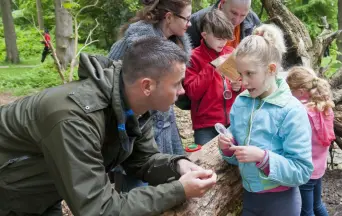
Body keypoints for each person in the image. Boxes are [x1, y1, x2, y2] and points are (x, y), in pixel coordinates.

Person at [0, 37, 217, 216]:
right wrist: (178, 190)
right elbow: (99, 209)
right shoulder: (75, 119)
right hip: (10, 195)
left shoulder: (133, 101)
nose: (182, 91)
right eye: (177, 83)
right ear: (147, 86)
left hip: (44, 191)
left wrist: (177, 166)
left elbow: (142, 159)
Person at [217, 24, 314, 216]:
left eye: (250, 74)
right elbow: (238, 158)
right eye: (240, 74)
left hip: (282, 203)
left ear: (271, 69)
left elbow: (302, 171)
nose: (243, 82)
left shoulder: (291, 111)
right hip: (250, 198)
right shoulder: (241, 103)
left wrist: (263, 157)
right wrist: (228, 148)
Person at [108, 0, 192, 192]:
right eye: (186, 18)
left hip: (165, 125)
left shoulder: (175, 42)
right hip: (136, 126)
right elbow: (114, 87)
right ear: (169, 17)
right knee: (136, 188)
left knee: (166, 183)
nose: (190, 24)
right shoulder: (134, 44)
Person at [184, 9, 242, 145]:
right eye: (219, 38)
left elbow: (244, 83)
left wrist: (239, 86)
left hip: (232, 121)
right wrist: (211, 67)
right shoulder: (193, 57)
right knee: (204, 163)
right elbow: (192, 92)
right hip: (205, 125)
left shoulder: (231, 52)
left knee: (232, 159)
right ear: (204, 35)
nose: (223, 43)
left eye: (226, 38)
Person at [287, 66, 335, 216]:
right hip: (319, 168)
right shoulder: (325, 106)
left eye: (290, 91)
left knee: (306, 211)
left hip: (305, 169)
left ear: (301, 91)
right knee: (317, 205)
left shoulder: (302, 112)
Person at [187, 0, 260, 49]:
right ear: (222, 3)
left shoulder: (252, 20)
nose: (237, 21)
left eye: (243, 15)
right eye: (234, 13)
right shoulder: (196, 22)